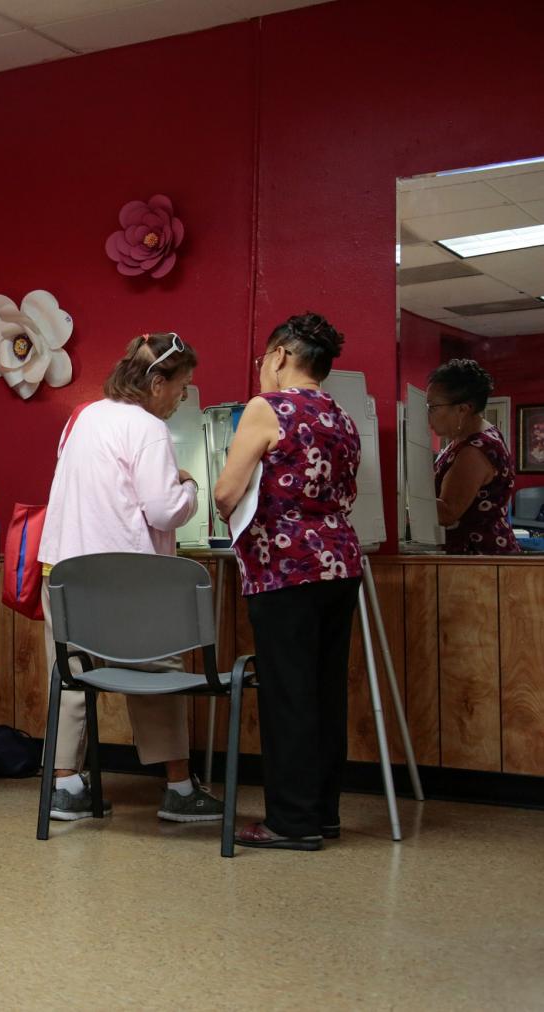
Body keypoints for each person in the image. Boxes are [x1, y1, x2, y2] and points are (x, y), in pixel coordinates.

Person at [40, 333, 225, 822]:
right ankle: (181, 790)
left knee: (70, 673)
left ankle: (64, 787)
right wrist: (189, 487)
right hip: (128, 581)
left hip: (64, 572)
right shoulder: (146, 428)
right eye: (181, 388)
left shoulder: (81, 417)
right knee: (156, 670)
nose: (181, 399)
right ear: (156, 381)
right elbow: (163, 512)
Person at [214, 313, 362, 851]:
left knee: (288, 695)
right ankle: (323, 814)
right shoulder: (342, 416)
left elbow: (227, 494)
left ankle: (290, 823)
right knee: (324, 693)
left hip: (285, 566)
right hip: (340, 564)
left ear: (278, 355)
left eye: (262, 360)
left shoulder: (266, 408)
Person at [428, 359, 521, 555]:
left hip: (479, 558)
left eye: (433, 407)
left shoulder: (475, 450)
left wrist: (401, 497)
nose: (428, 415)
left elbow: (448, 513)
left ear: (463, 409)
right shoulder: (462, 441)